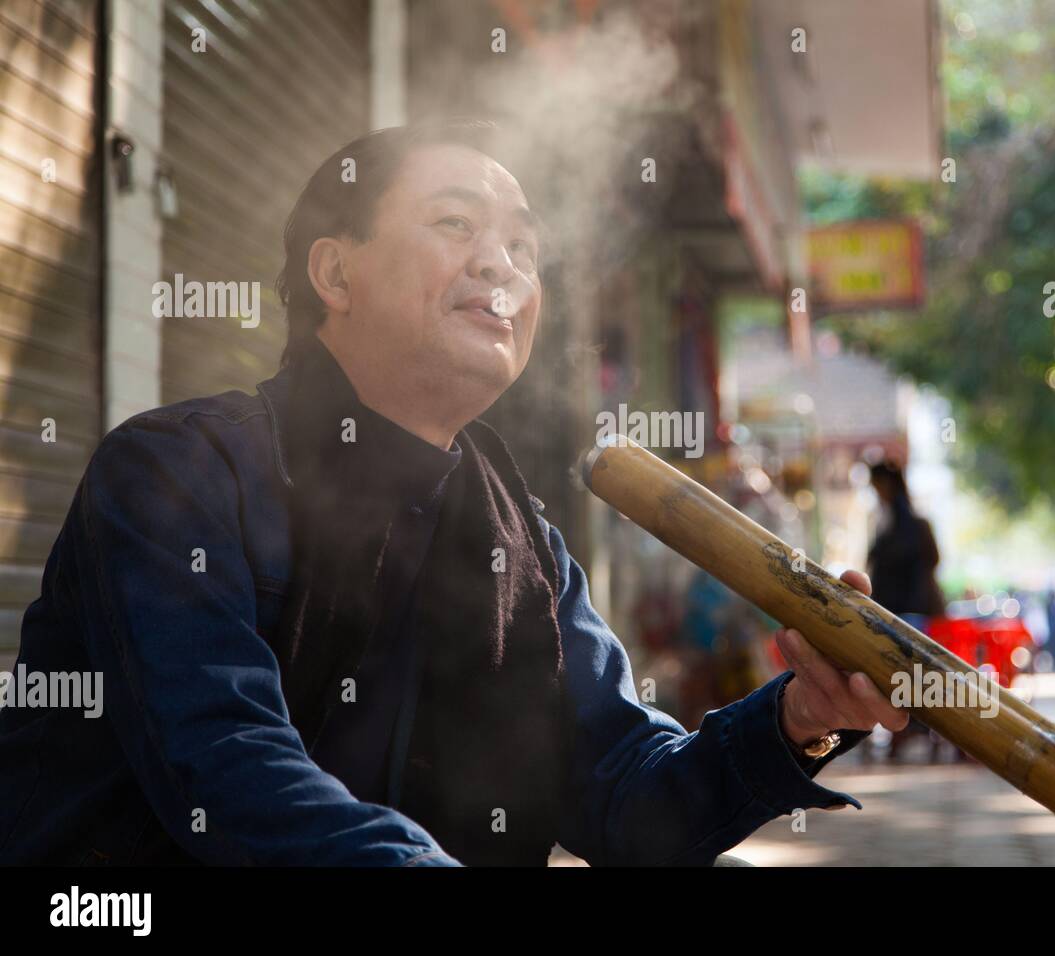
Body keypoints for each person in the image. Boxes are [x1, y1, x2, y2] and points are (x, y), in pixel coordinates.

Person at [0, 120, 907, 866]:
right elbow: (229, 770)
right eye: (455, 225)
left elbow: (629, 798)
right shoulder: (174, 475)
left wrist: (799, 722)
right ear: (334, 273)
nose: (502, 266)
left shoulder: (524, 547)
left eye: (523, 246)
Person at [865, 460, 945, 760]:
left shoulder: (903, 525)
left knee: (908, 672)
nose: (876, 492)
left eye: (878, 486)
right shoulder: (891, 522)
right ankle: (908, 731)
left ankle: (910, 730)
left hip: (910, 612)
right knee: (908, 674)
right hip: (904, 611)